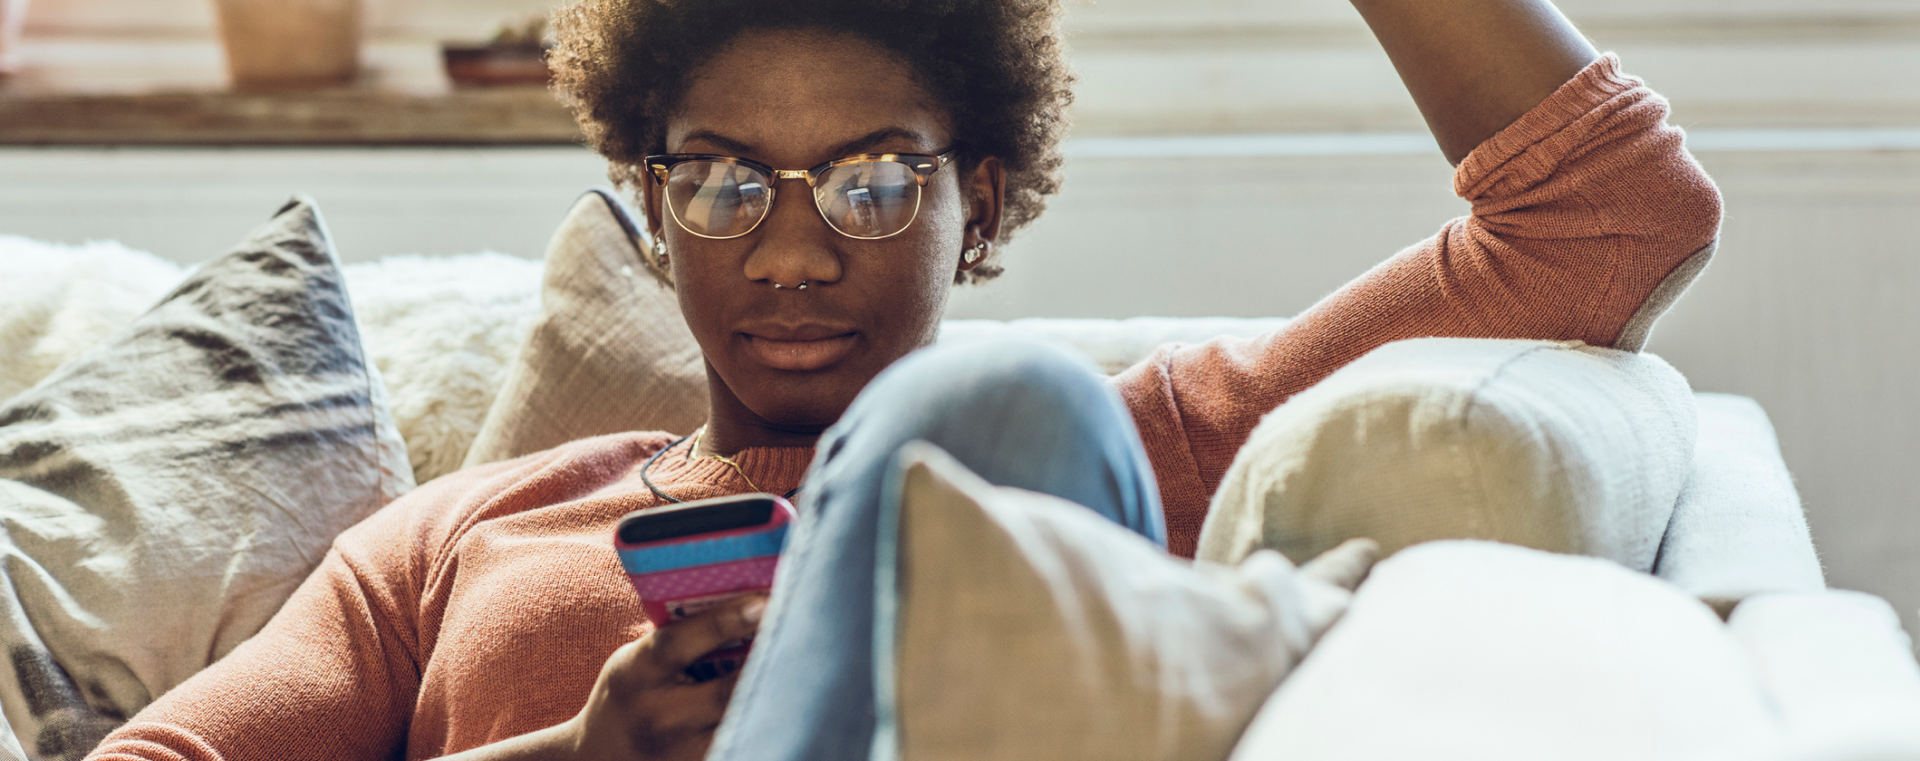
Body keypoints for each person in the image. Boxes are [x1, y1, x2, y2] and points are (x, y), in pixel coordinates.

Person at [86, 0, 1720, 758]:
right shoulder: (470, 532)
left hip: (1013, 446)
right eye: (724, 182)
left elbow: (1609, 212)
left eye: (871, 181)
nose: (790, 255)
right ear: (655, 219)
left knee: (992, 427)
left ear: (979, 204)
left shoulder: (1141, 439)